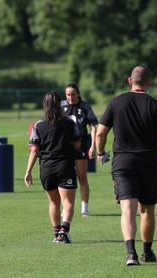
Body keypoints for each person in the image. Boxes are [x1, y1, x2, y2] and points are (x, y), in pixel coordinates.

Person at [96, 65, 157, 266]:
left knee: (127, 208)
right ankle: (147, 252)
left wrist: (100, 152)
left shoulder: (116, 102)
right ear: (149, 83)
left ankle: (130, 253)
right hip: (149, 162)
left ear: (129, 81)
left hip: (123, 162)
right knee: (147, 210)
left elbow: (100, 133)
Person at [25, 92, 81, 243]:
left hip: (46, 168)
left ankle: (57, 234)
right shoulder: (70, 123)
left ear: (45, 106)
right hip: (65, 166)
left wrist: (28, 171)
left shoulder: (38, 125)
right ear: (60, 105)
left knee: (53, 203)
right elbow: (77, 145)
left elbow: (34, 150)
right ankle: (64, 229)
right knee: (68, 202)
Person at [62, 83, 98, 217]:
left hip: (81, 147)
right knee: (64, 177)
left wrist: (93, 145)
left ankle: (85, 207)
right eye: (68, 95)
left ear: (78, 94)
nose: (70, 97)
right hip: (65, 147)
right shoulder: (61, 106)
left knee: (82, 177)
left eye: (73, 94)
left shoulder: (85, 107)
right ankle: (65, 207)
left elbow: (93, 127)